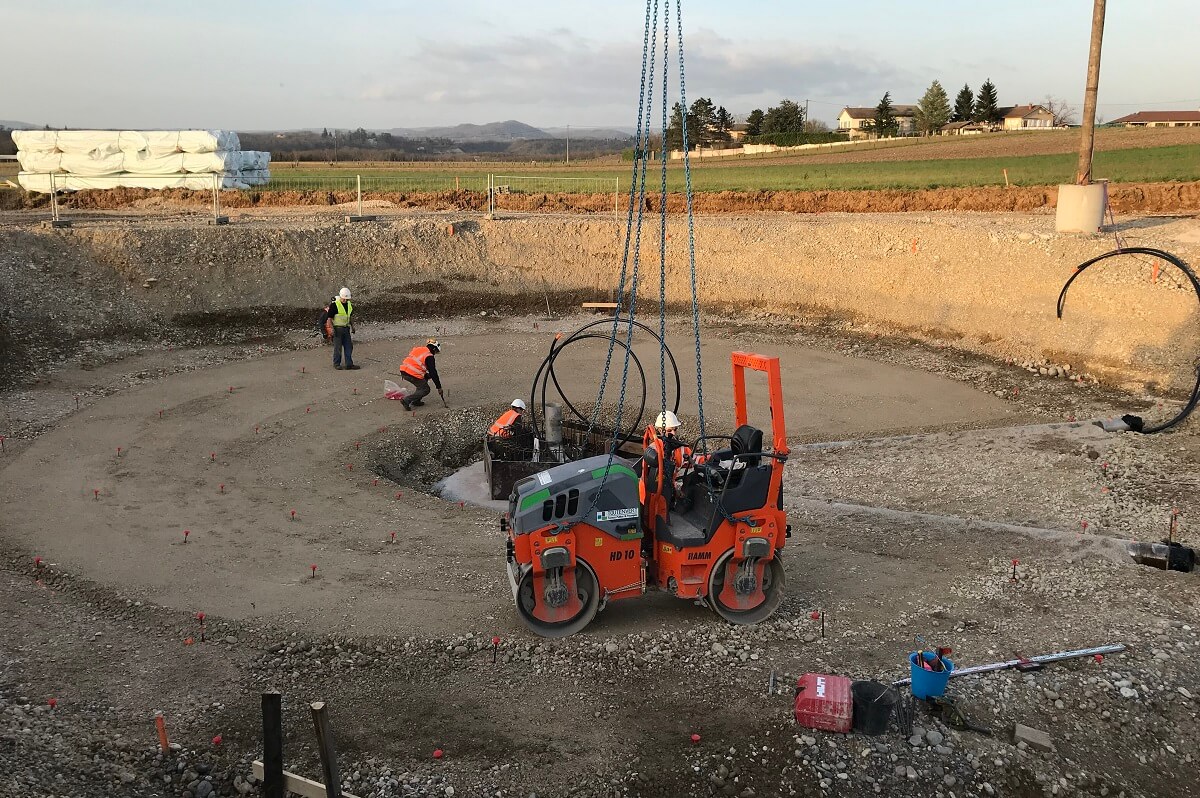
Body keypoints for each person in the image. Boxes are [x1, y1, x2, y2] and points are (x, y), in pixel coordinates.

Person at [318, 287, 359, 370]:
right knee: (338, 347)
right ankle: (337, 363)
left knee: (349, 346)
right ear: (340, 296)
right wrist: (331, 329)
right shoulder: (334, 305)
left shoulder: (349, 305)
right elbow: (329, 318)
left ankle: (349, 364)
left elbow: (349, 316)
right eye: (343, 298)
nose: (345, 300)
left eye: (346, 299)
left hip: (346, 328)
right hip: (337, 329)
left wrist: (352, 326)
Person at [398, 338, 442, 410]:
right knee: (425, 389)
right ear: (434, 349)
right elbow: (433, 373)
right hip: (411, 374)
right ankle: (407, 400)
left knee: (424, 379)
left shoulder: (419, 349)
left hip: (404, 371)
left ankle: (416, 400)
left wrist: (426, 375)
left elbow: (416, 363)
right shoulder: (429, 356)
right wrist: (439, 387)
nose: (435, 354)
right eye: (436, 351)